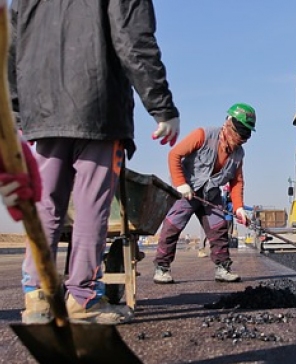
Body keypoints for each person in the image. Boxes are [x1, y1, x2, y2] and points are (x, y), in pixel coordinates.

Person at [7, 0, 180, 324]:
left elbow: (13, 41)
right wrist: (162, 106)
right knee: (91, 206)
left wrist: (17, 106)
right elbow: (133, 39)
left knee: (46, 203)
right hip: (98, 108)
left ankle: (37, 295)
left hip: (42, 109)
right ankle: (82, 298)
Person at [152, 103, 254, 284]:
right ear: (228, 123)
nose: (240, 138)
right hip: (188, 191)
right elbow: (174, 154)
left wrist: (238, 208)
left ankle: (222, 268)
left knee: (219, 229)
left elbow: (236, 182)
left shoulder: (239, 154)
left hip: (211, 194)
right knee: (172, 227)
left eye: (245, 134)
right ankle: (162, 268)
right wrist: (181, 184)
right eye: (239, 132)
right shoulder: (203, 135)